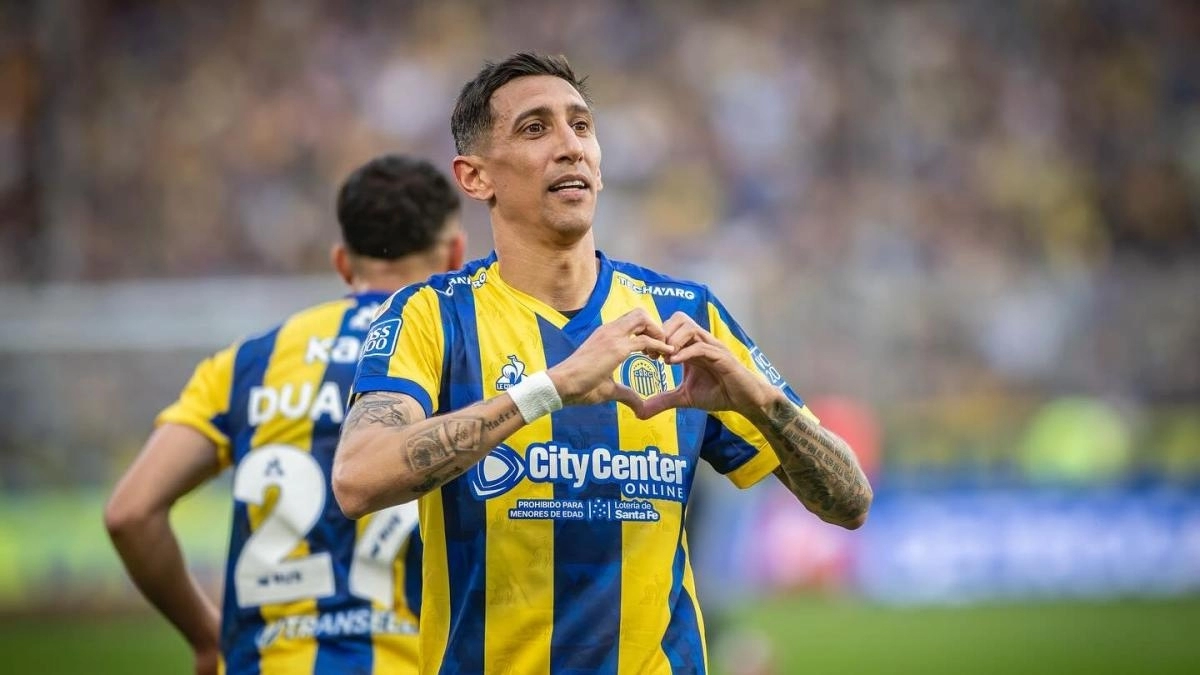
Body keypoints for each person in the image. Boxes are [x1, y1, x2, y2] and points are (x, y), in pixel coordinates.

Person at [333, 53, 873, 674]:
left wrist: (766, 404)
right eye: (535, 129)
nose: (570, 146)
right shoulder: (433, 316)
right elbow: (357, 478)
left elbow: (849, 502)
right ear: (475, 177)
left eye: (582, 126)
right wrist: (551, 388)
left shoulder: (684, 314)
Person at [104, 154, 464, 675]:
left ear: (342, 262)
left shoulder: (249, 363)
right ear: (455, 255)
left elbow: (129, 514)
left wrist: (208, 640)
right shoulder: (463, 360)